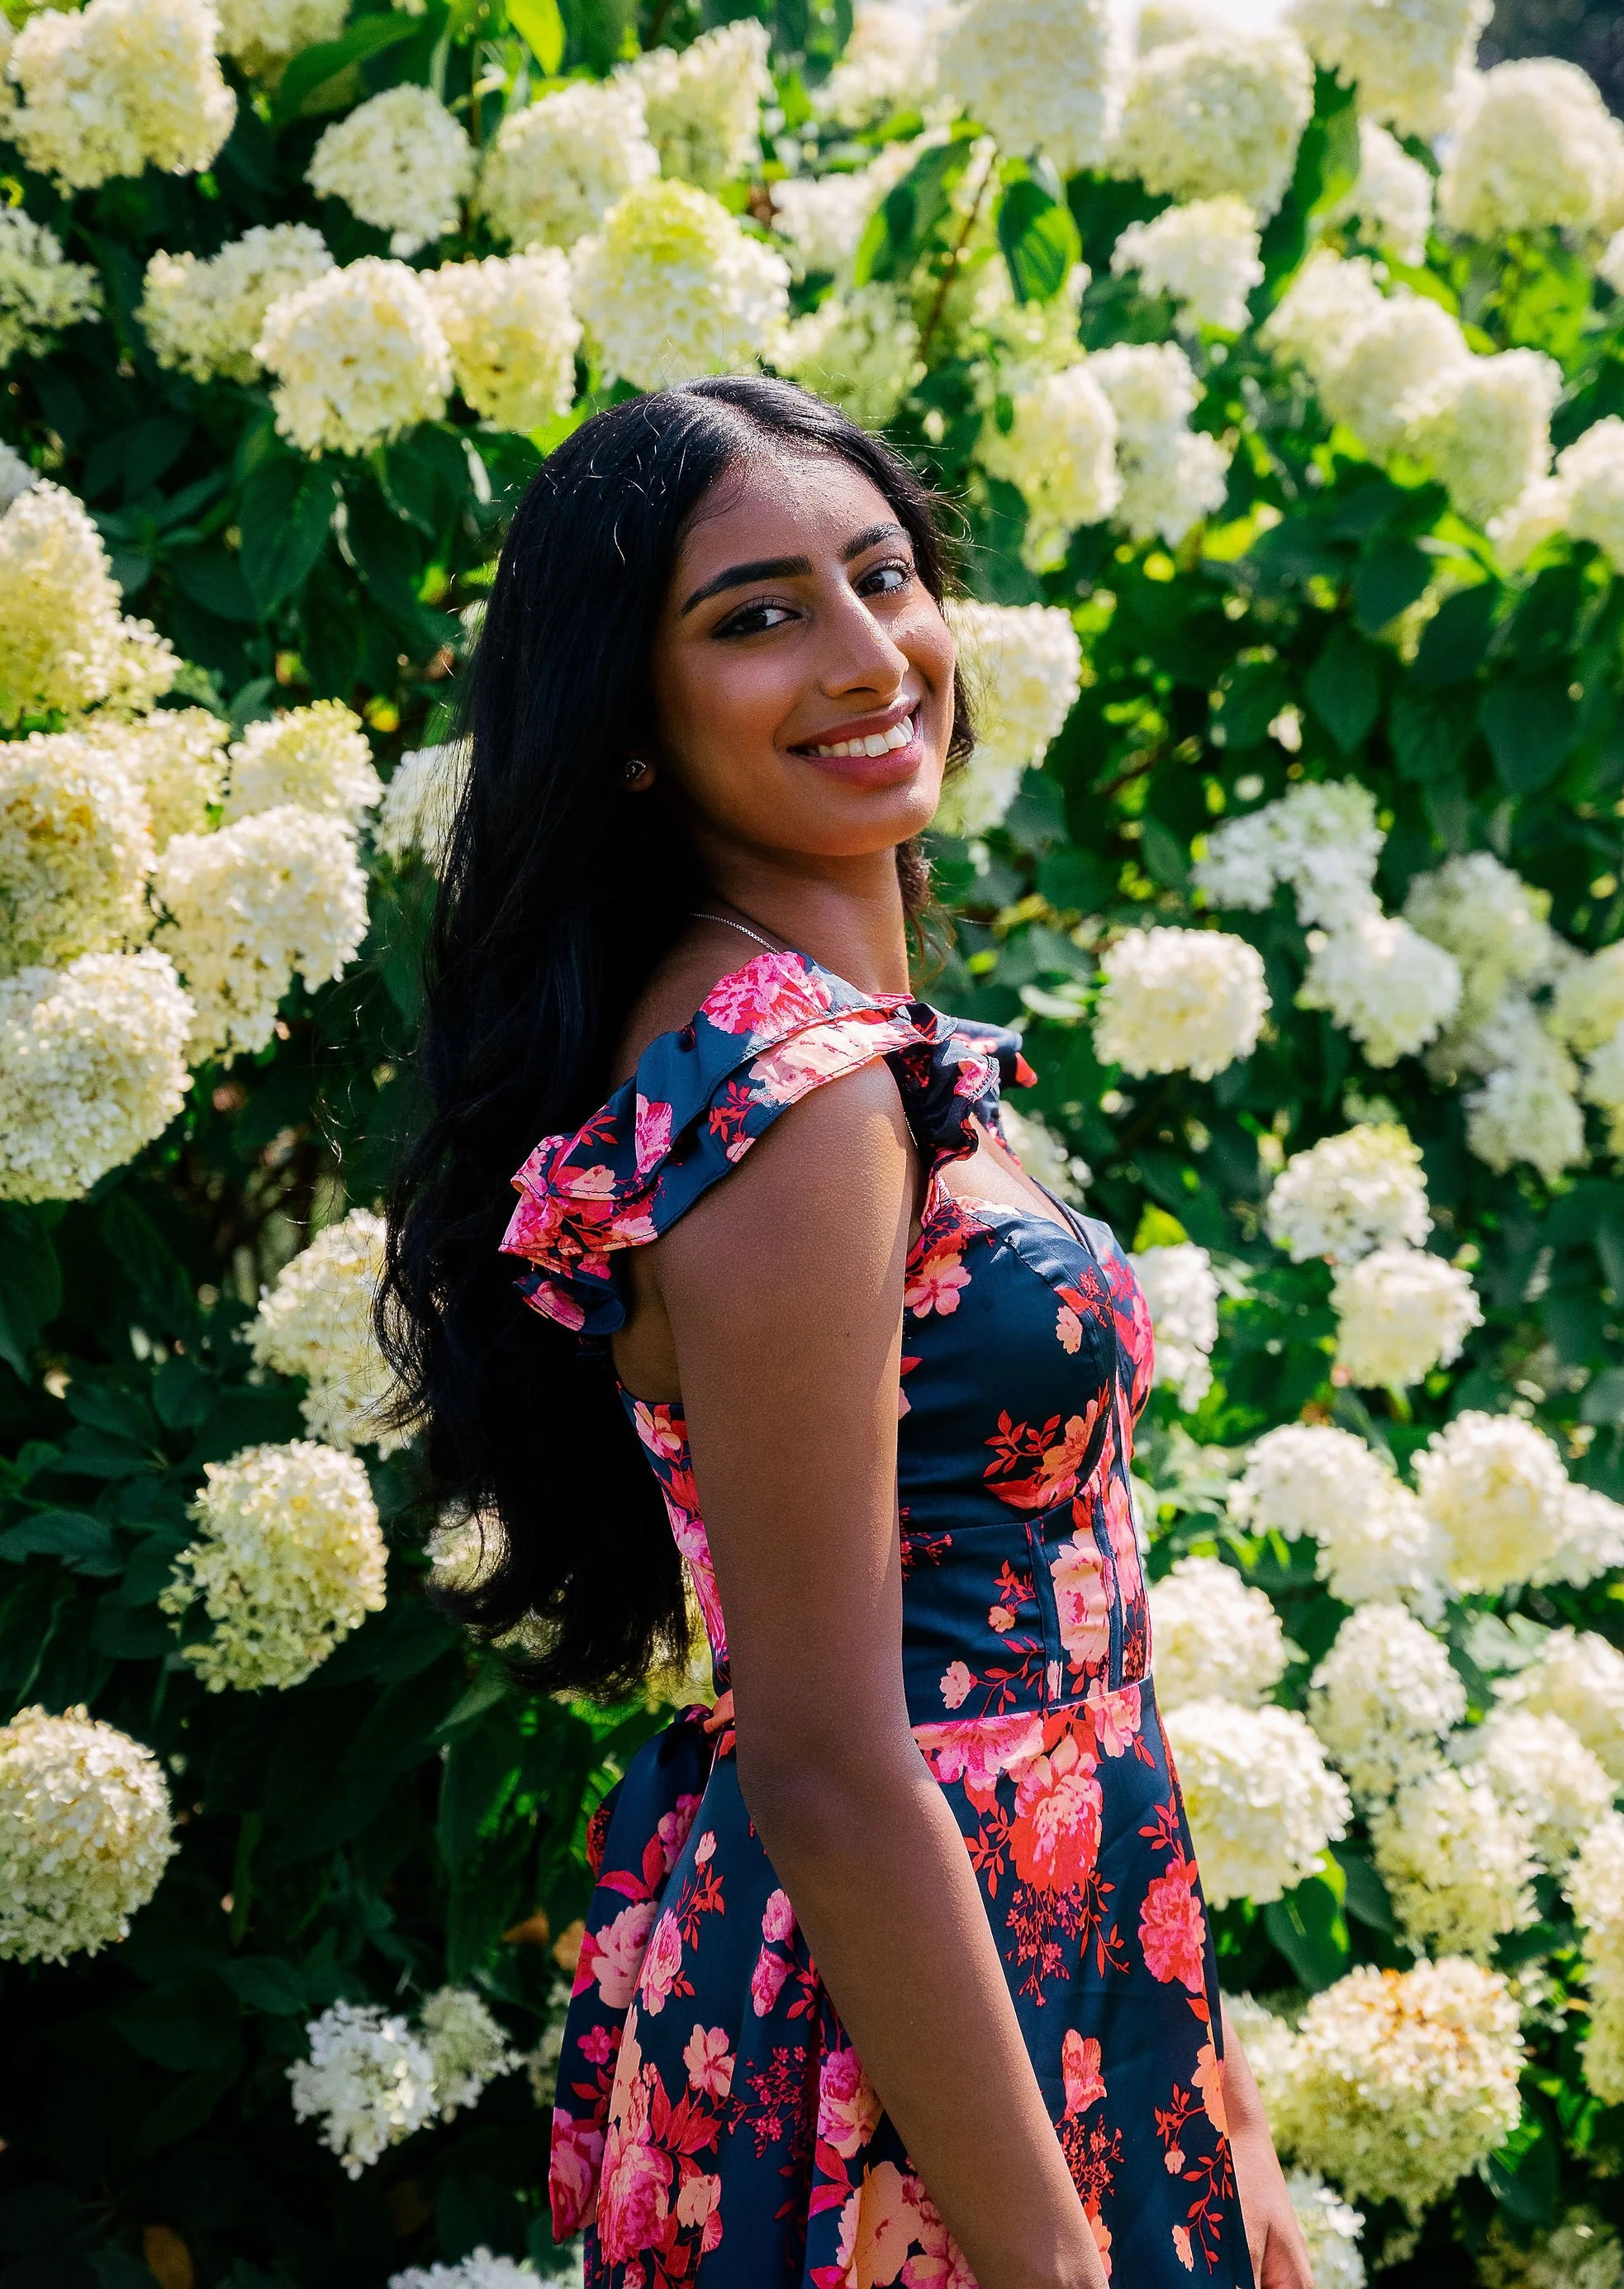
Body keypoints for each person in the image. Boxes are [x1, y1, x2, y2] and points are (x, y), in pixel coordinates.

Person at [381, 378, 1313, 2289]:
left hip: (1042, 1958)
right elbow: (824, 1745)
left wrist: (1212, 2117)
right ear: (627, 723)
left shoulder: (811, 1041)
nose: (863, 652)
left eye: (879, 576)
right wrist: (1051, 2259)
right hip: (915, 2031)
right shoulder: (790, 1090)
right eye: (755, 615)